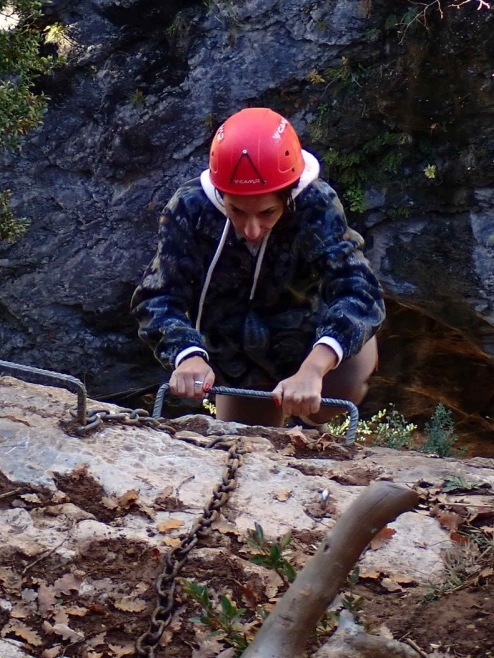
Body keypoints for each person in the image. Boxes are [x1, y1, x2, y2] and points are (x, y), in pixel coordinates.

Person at [130, 107, 386, 427]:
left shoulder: (316, 204)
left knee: (329, 399)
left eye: (266, 213)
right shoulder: (190, 209)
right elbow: (156, 297)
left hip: (314, 340)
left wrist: (314, 369)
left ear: (288, 198)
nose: (251, 229)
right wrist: (187, 354)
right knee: (246, 439)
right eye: (236, 211)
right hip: (240, 362)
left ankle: (313, 417)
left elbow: (359, 289)